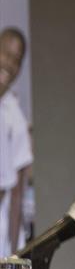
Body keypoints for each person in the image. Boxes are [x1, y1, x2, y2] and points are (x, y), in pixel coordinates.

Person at [0, 27, 33, 257]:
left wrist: (13, 256)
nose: (9, 64)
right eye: (5, 53)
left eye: (16, 59)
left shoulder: (15, 118)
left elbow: (16, 191)